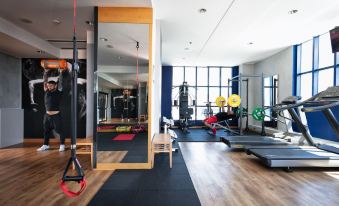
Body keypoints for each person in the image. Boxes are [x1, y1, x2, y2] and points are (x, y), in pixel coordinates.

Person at [37, 69, 65, 152]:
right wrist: (45, 72)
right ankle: (45, 145)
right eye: (48, 85)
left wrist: (60, 72)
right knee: (46, 130)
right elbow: (45, 81)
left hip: (56, 115)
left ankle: (62, 145)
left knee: (60, 130)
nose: (49, 87)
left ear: (55, 86)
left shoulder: (59, 91)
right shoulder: (46, 91)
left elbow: (60, 81)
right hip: (47, 115)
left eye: (51, 86)